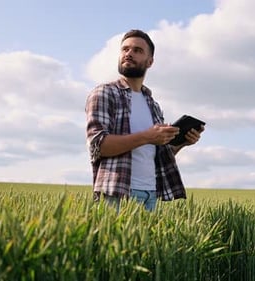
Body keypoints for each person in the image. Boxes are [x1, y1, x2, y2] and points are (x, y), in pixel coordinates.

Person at [85, 29, 204, 212]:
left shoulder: (153, 104)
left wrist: (182, 143)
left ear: (150, 62)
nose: (129, 54)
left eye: (137, 50)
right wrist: (147, 136)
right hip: (117, 194)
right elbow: (98, 146)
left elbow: (157, 154)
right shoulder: (104, 93)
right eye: (125, 49)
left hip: (151, 194)